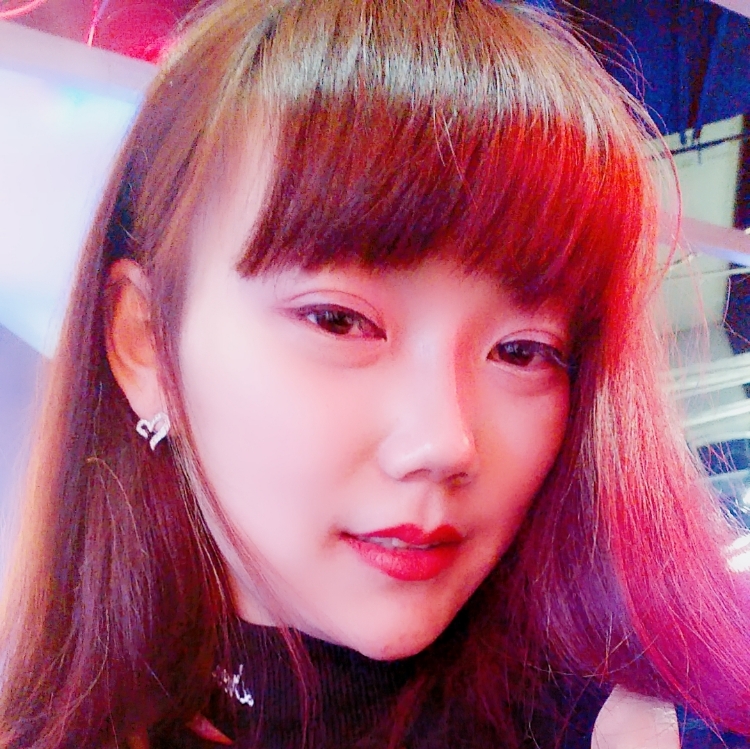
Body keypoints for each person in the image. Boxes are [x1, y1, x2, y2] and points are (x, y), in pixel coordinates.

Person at [1, 0, 749, 747]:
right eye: (338, 320)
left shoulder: (641, 722)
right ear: (145, 342)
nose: (445, 443)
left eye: (522, 352)